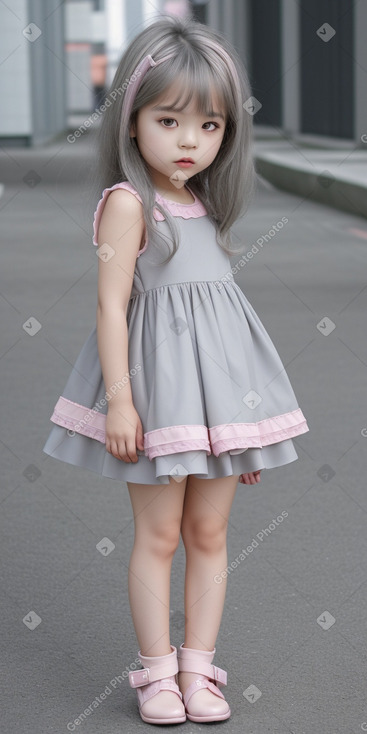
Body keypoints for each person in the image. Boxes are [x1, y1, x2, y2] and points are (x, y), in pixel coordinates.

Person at [42, 14, 310, 726]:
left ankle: (201, 672)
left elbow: (222, 333)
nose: (190, 141)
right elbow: (109, 309)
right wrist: (121, 405)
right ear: (132, 122)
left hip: (219, 405)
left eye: (210, 125)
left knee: (211, 536)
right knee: (159, 535)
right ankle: (156, 673)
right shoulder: (129, 205)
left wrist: (241, 422)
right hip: (157, 400)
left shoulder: (202, 204)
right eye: (169, 120)